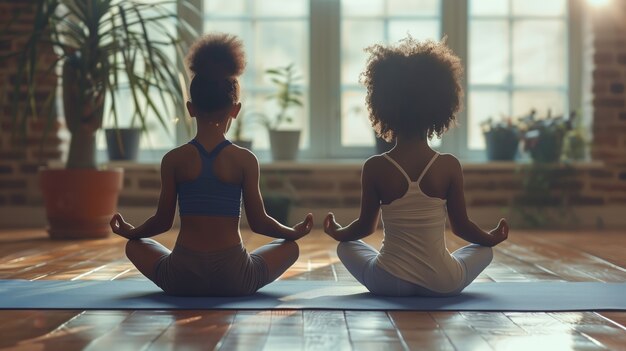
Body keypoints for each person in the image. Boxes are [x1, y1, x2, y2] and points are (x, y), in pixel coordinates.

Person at [109, 33, 313, 296]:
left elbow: (162, 222)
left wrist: (132, 231)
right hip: (234, 276)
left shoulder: (174, 159)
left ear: (190, 108)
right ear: (235, 110)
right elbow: (259, 223)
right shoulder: (244, 160)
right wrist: (291, 232)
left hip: (182, 275)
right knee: (290, 248)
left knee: (134, 246)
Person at [323, 36, 509, 297]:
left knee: (345, 247)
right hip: (442, 282)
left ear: (382, 107)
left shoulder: (376, 167)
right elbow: (462, 226)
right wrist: (492, 238)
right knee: (483, 251)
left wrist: (337, 231)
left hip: (388, 281)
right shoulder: (448, 165)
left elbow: (365, 227)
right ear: (441, 107)